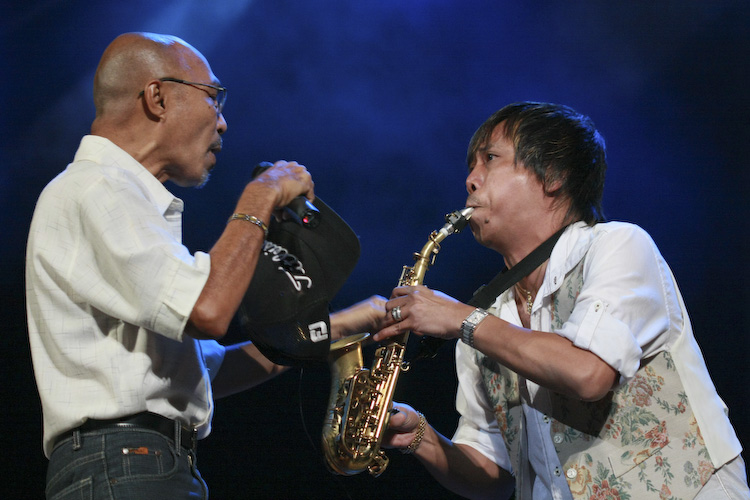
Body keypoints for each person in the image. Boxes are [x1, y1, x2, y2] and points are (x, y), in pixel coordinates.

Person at [25, 32, 385, 498]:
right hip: (127, 466)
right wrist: (262, 194)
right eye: (214, 98)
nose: (224, 124)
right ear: (156, 97)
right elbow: (209, 310)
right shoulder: (98, 189)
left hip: (143, 465)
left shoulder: (115, 197)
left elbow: (211, 371)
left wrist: (351, 321)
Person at [373, 102, 749, 499]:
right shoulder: (485, 319)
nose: (470, 179)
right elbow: (496, 473)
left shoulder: (618, 244)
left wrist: (463, 321)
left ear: (552, 175)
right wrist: (421, 437)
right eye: (471, 165)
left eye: (490, 159)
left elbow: (587, 373)